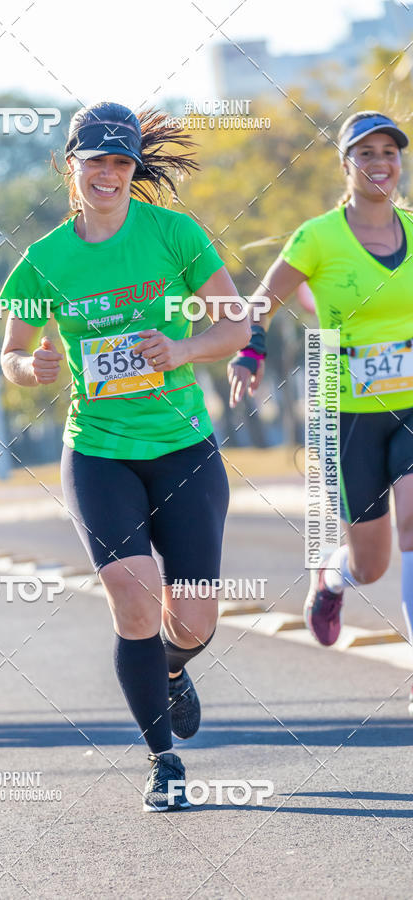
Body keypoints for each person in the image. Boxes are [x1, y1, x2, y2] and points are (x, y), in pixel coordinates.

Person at [0, 101, 250, 810]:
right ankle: (162, 760)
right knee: (134, 598)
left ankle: (171, 671)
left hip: (183, 447)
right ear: (69, 166)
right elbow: (12, 352)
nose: (107, 174)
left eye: (120, 162)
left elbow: (235, 323)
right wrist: (30, 370)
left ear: (133, 169)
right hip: (100, 452)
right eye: (94, 162)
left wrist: (183, 349)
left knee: (194, 618)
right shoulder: (45, 261)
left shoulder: (173, 233)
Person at [228, 111, 413, 715]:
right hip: (349, 413)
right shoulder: (318, 237)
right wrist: (250, 353)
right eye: (366, 153)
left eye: (389, 151)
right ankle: (331, 579)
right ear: (346, 165)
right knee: (372, 562)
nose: (380, 162)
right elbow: (262, 303)